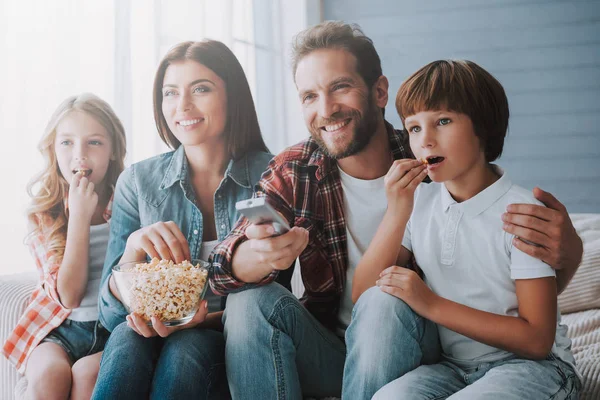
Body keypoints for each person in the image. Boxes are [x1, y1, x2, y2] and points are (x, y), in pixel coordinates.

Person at [211, 21, 584, 400]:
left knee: (387, 298)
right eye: (309, 95)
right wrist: (253, 255)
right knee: (249, 300)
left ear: (379, 91)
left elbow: (527, 315)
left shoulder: (433, 168)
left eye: (340, 86)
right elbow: (222, 270)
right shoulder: (300, 168)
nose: (326, 109)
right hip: (340, 344)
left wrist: (572, 252)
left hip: (422, 343)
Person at [348, 59, 581, 399]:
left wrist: (430, 304)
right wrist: (398, 210)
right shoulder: (419, 203)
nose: (425, 140)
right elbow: (365, 296)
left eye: (442, 121)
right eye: (414, 128)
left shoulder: (523, 214)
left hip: (535, 368)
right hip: (453, 369)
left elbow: (536, 340)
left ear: (482, 128)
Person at [91, 40, 278, 400]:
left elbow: (278, 302)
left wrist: (197, 320)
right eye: (170, 93)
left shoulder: (273, 175)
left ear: (232, 95)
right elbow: (110, 315)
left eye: (201, 89)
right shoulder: (138, 182)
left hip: (234, 342)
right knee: (127, 338)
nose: (182, 106)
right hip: (146, 337)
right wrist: (132, 251)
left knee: (186, 347)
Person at [1, 93, 127, 400]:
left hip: (111, 332)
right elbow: (68, 295)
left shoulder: (128, 203)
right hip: (58, 328)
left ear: (112, 150)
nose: (79, 155)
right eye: (67, 143)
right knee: (49, 377)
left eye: (94, 142)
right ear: (53, 150)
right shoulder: (44, 213)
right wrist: (79, 218)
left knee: (87, 379)